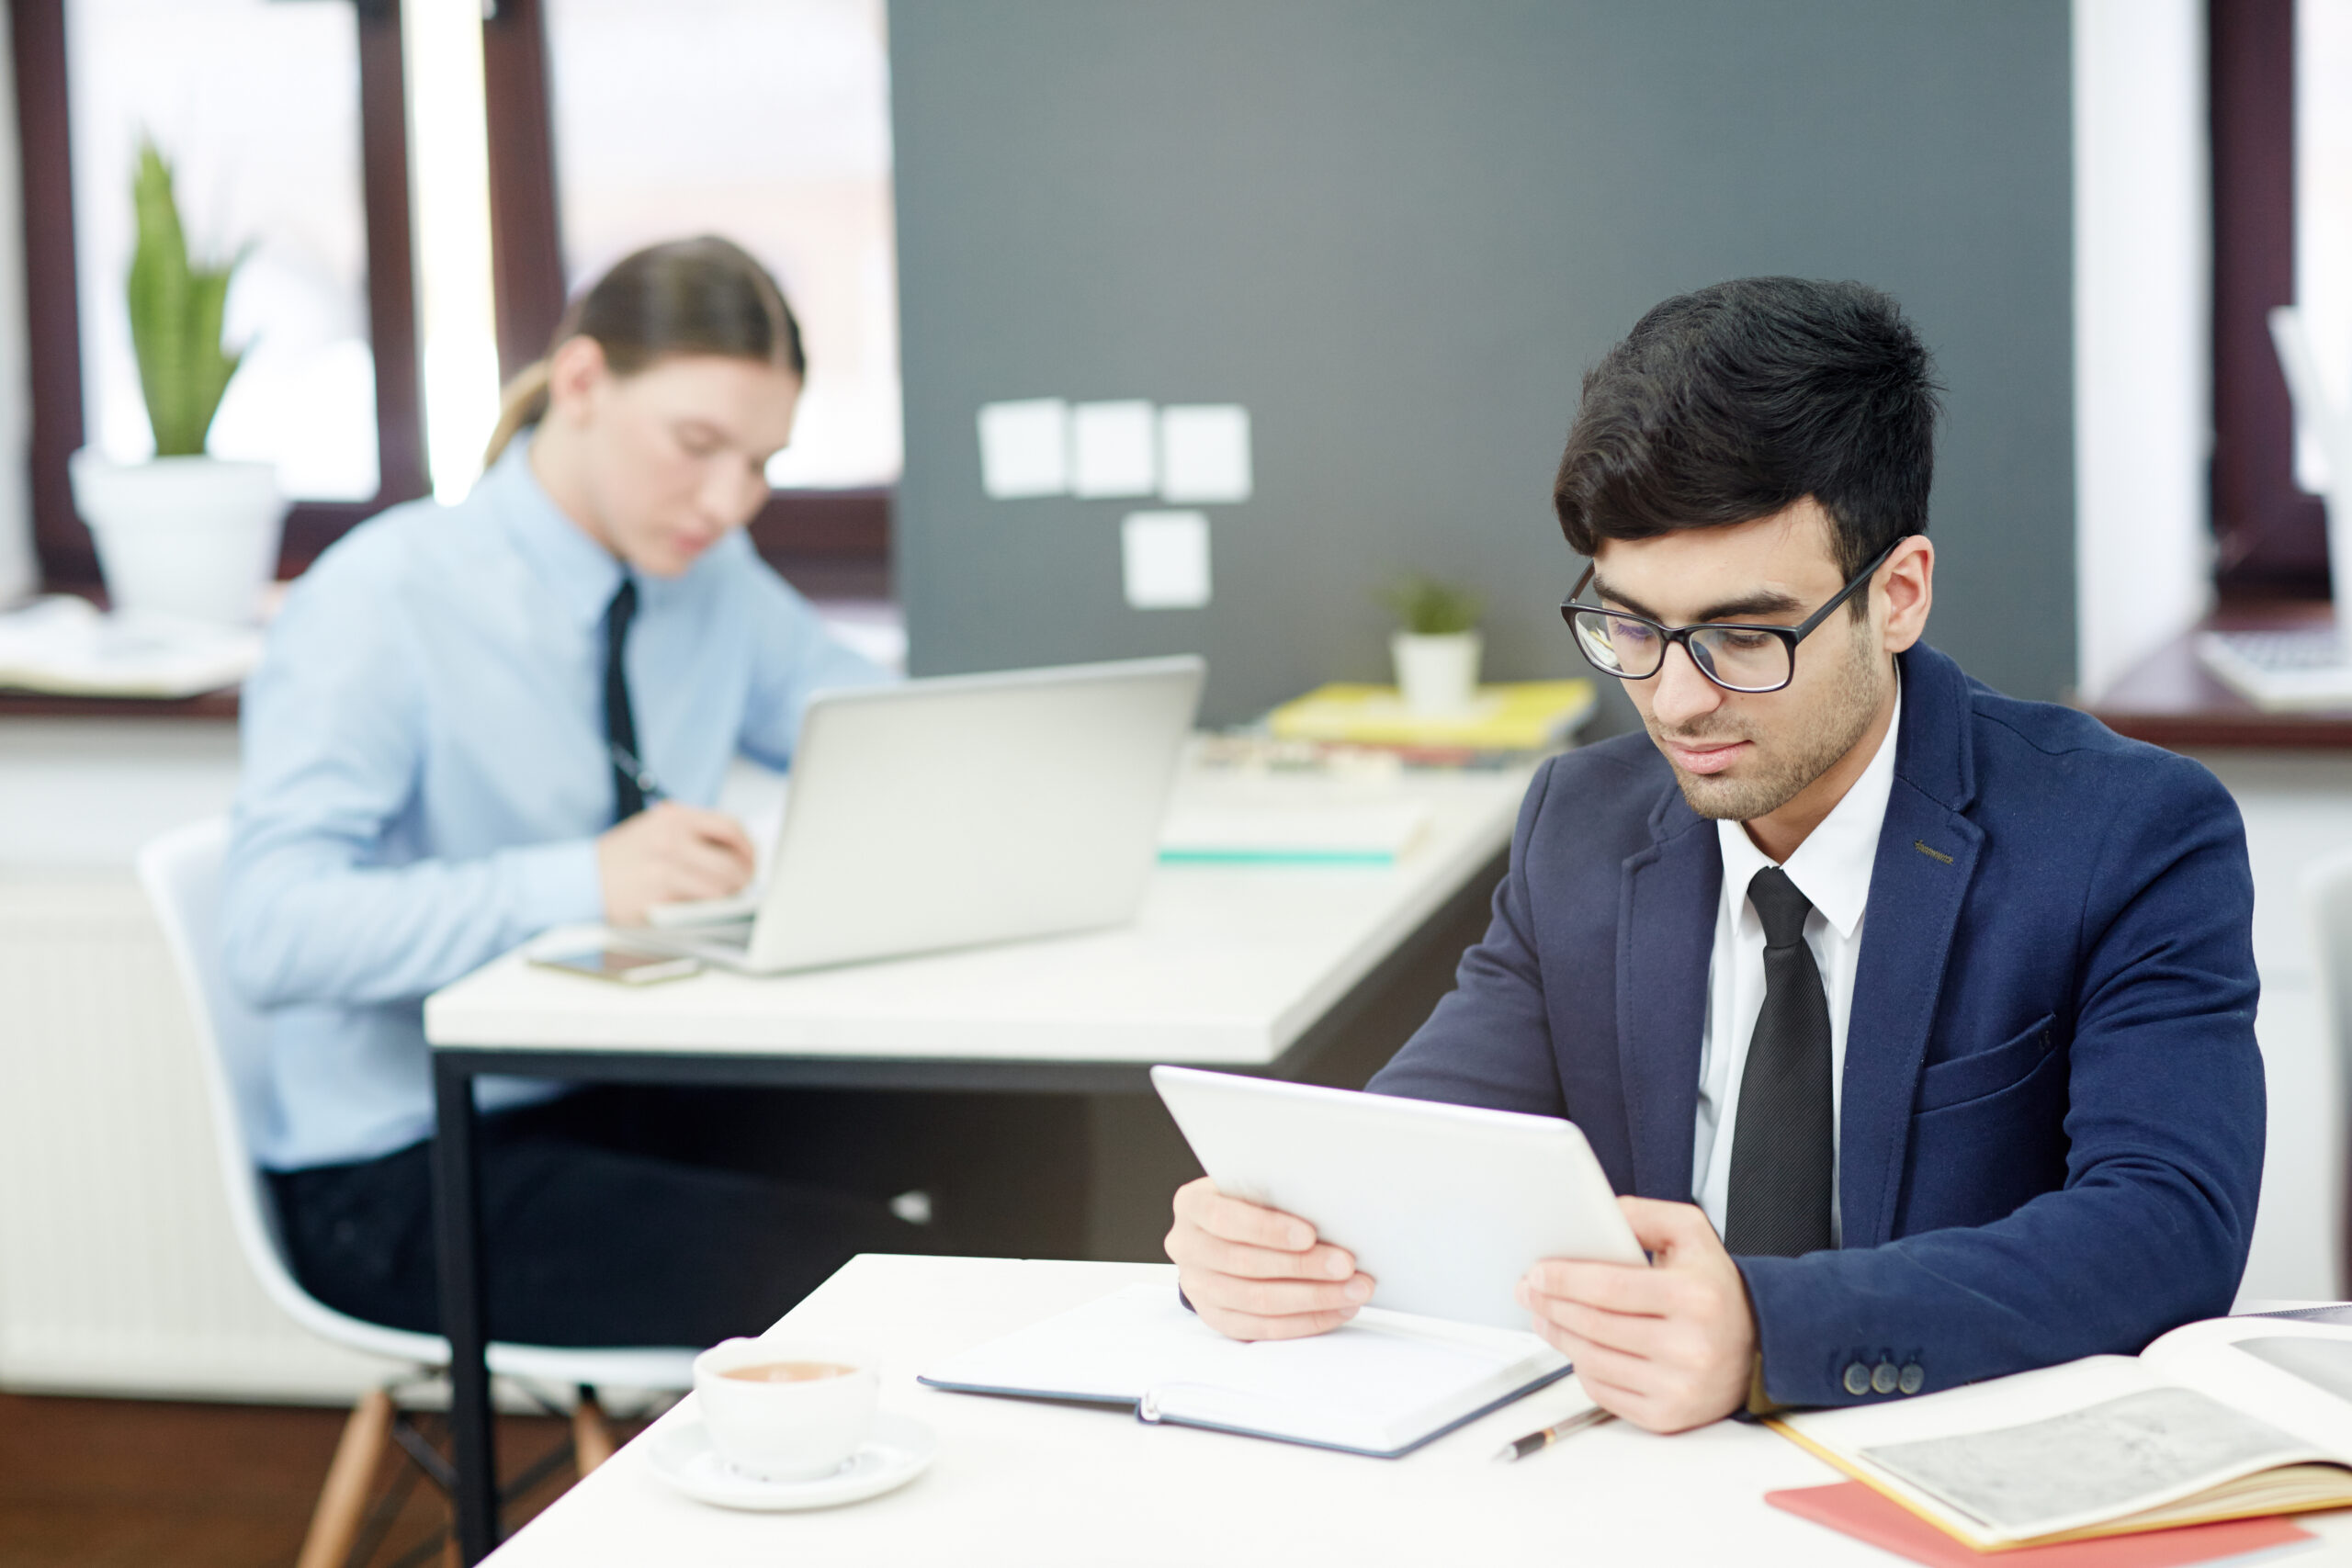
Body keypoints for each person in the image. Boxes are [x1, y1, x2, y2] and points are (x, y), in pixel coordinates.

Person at [1163, 276, 2265, 1431]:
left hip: (1950, 1472)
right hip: (1630, 1481)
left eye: (1743, 636)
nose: (1676, 700)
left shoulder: (2126, 833)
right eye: (1630, 627)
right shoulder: (1579, 826)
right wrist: (1252, 1246)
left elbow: (2167, 1227)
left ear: (1895, 596)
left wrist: (1769, 1331)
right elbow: (1415, 1156)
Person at [223, 237, 1048, 1349]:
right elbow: (274, 934)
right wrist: (585, 883)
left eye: (760, 463)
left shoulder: (707, 582)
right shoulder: (384, 597)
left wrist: (1033, 776)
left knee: (1027, 1124)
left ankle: (1025, 1438)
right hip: (404, 1163)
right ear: (580, 384)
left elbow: (882, 740)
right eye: (698, 445)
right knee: (858, 1276)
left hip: (625, 1087)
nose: (729, 500)